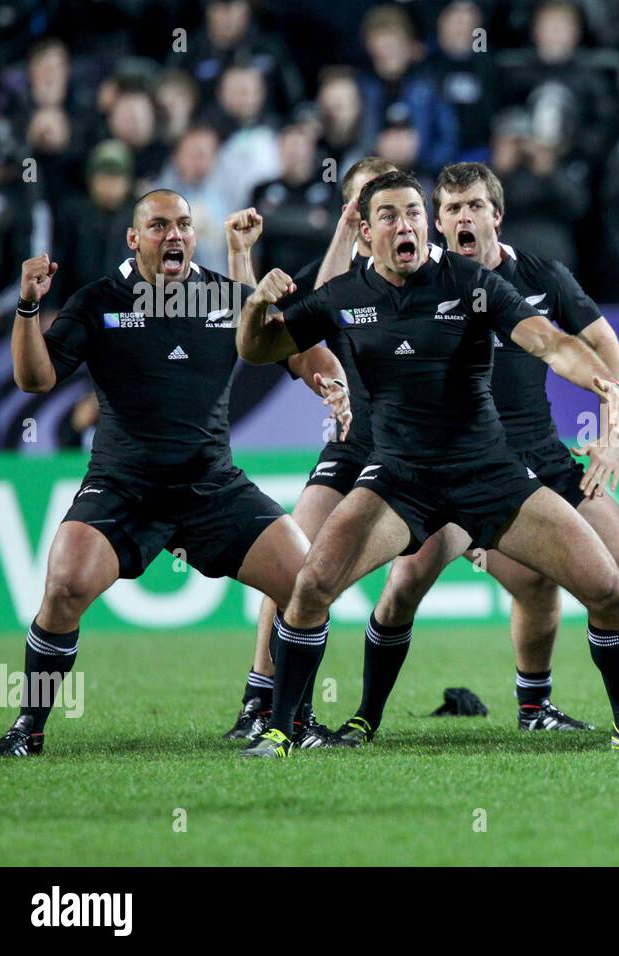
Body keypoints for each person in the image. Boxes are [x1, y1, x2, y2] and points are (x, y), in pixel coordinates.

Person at [235, 171, 619, 756]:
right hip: (399, 480)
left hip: (490, 475)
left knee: (611, 589)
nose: (408, 225)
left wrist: (601, 383)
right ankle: (280, 728)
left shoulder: (470, 281)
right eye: (392, 216)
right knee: (313, 584)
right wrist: (256, 306)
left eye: (416, 213)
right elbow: (259, 348)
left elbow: (546, 340)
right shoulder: (343, 296)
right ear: (366, 232)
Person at [0, 189, 347, 757]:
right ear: (134, 239)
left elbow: (299, 353)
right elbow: (36, 379)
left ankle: (289, 719)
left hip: (212, 487)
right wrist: (28, 307)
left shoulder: (227, 299)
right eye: (157, 226)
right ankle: (28, 730)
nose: (173, 235)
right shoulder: (99, 301)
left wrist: (332, 383)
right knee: (64, 587)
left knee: (306, 584)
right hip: (123, 487)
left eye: (181, 225)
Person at [221, 157, 395, 744]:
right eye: (365, 201)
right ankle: (264, 702)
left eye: (394, 196)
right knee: (297, 562)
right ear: (353, 216)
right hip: (353, 443)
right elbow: (271, 333)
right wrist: (243, 261)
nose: (383, 210)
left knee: (408, 580)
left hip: (423, 450)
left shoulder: (430, 272)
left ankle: (534, 699)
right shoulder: (324, 277)